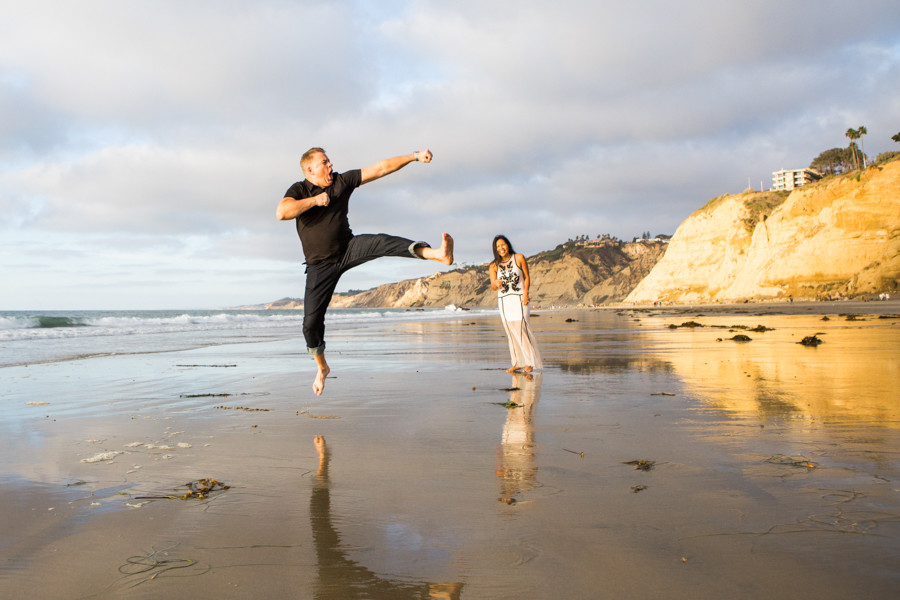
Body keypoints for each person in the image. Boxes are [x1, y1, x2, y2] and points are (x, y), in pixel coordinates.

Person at [277, 147, 454, 396]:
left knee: (382, 242)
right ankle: (322, 367)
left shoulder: (341, 181)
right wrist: (315, 201)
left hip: (348, 248)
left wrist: (413, 157)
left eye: (329, 161)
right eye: (324, 162)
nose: (330, 165)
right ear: (310, 169)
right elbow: (282, 212)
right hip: (320, 266)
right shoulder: (299, 190)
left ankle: (436, 254)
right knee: (310, 324)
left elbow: (380, 168)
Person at [488, 235, 542, 373]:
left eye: (503, 245)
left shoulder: (519, 258)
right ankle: (518, 362)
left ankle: (529, 362)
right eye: (498, 247)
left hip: (519, 297)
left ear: (508, 244)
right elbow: (493, 287)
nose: (501, 248)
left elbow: (527, 277)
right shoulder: (493, 265)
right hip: (504, 301)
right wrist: (495, 283)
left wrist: (526, 294)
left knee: (523, 328)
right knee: (511, 332)